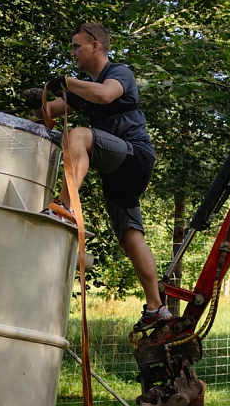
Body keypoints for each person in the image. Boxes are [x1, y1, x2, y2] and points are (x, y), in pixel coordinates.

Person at [27, 22, 172, 331]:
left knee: (79, 135)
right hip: (117, 173)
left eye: (77, 46)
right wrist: (37, 104)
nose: (73, 52)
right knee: (130, 238)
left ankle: (64, 207)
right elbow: (48, 115)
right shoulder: (82, 91)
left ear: (95, 46)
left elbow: (106, 95)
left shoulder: (119, 73)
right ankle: (156, 307)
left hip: (135, 156)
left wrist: (67, 81)